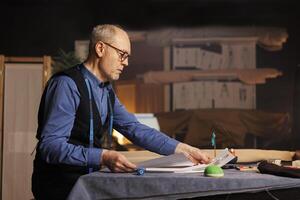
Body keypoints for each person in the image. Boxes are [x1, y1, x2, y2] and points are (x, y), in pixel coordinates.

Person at [32, 24, 210, 200]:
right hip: (59, 188)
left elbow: (134, 128)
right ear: (100, 48)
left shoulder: (106, 90)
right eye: (122, 54)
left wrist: (184, 149)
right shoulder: (67, 85)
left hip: (86, 183)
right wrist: (103, 156)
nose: (126, 62)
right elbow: (50, 147)